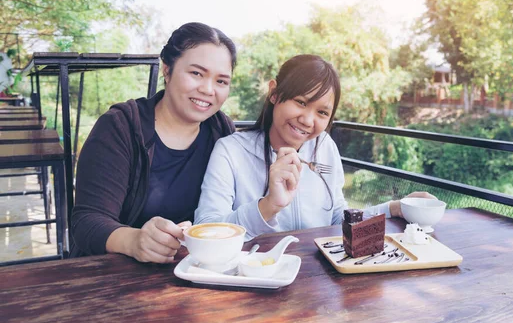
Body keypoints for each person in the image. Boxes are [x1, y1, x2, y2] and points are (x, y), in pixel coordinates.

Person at [194, 54, 434, 239]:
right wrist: (268, 206)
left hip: (317, 283)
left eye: (321, 112)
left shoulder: (324, 146)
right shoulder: (230, 151)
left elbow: (338, 217)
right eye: (300, 102)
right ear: (274, 94)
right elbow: (206, 229)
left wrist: (395, 208)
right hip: (253, 284)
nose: (308, 120)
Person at [71, 22, 237, 263]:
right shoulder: (121, 127)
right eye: (196, 73)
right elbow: (86, 221)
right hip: (112, 273)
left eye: (221, 81)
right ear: (167, 70)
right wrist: (135, 241)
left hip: (188, 272)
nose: (208, 89)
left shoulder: (221, 132)